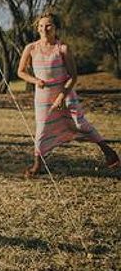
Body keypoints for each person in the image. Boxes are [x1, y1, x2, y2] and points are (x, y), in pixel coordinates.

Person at [17, 12, 119, 177]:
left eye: (49, 25)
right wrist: (35, 81)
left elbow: (73, 76)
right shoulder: (31, 48)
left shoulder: (62, 48)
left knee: (80, 124)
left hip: (65, 93)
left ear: (56, 28)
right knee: (42, 128)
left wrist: (62, 96)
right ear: (37, 28)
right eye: (41, 26)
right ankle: (37, 165)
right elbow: (20, 72)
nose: (44, 28)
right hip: (43, 96)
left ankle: (108, 152)